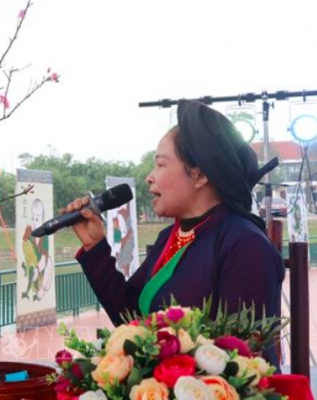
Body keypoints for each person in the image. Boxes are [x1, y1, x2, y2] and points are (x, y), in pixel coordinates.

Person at [67, 100, 284, 364]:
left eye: (160, 164)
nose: (150, 176)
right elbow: (132, 322)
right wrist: (95, 246)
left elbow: (242, 361)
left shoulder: (245, 245)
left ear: (199, 175)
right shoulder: (170, 237)